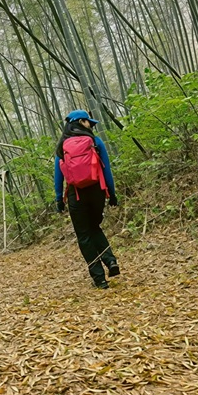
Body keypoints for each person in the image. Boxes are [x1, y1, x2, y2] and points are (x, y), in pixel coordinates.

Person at [54, 109, 119, 289]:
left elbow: (58, 176)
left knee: (84, 235)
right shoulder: (95, 141)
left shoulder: (62, 146)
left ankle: (99, 279)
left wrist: (59, 199)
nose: (91, 125)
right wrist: (112, 193)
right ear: (81, 122)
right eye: (89, 121)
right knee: (94, 227)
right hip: (97, 191)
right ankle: (110, 260)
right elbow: (106, 170)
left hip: (76, 195)